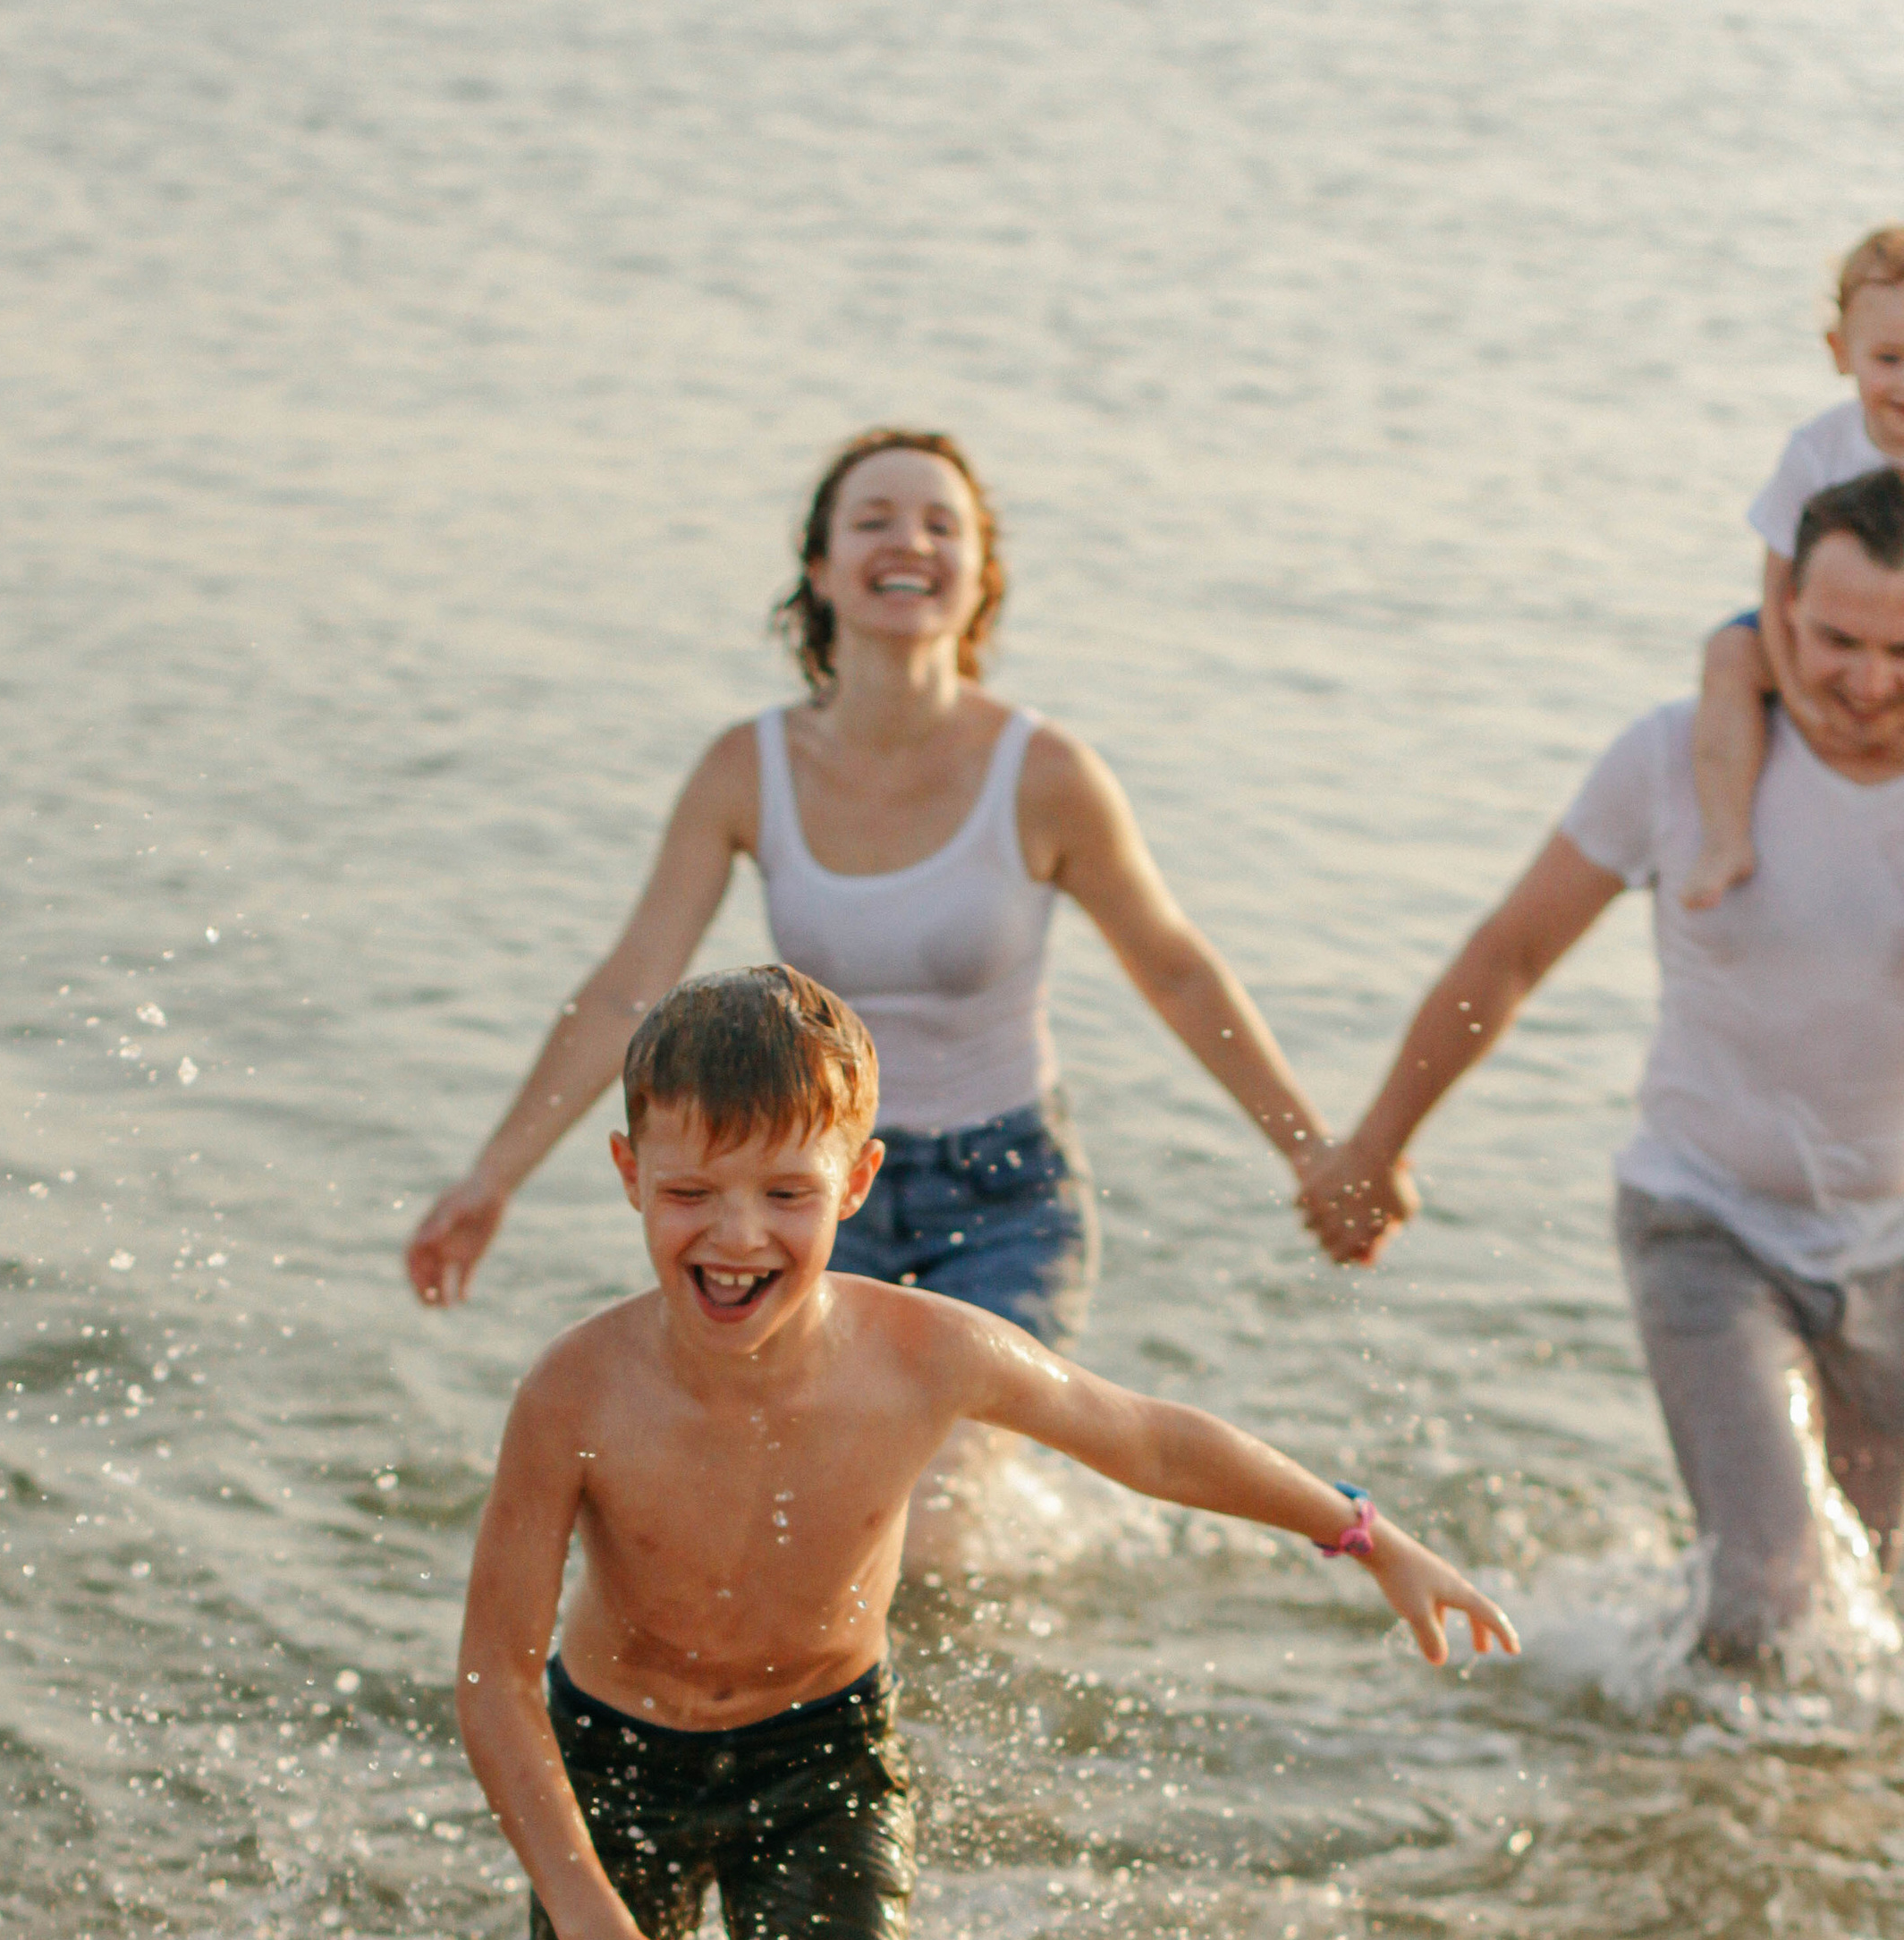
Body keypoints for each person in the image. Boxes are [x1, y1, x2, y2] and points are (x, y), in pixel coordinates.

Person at [457, 965, 1515, 1940]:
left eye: (786, 1193)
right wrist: (597, 1934)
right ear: (626, 1176)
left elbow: (1149, 1440)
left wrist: (1368, 1539)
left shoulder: (924, 1356)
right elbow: (494, 1677)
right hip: (615, 1762)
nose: (737, 1237)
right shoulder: (576, 1393)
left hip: (820, 1762)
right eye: (690, 1195)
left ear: (856, 1182)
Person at [407, 428, 1350, 1546]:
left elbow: (1179, 973)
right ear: (820, 569)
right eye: (873, 520)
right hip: (797, 1195)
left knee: (936, 1517)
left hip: (1003, 1193)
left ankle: (942, 1703)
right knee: (778, 1513)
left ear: (979, 577)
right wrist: (493, 1178)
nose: (908, 542)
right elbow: (629, 988)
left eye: (941, 525)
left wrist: (1313, 1151)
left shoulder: (1045, 775)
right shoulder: (744, 770)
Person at [1300, 470, 1904, 1665]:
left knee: (1879, 1596)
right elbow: (1511, 953)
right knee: (1774, 1595)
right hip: (1706, 1223)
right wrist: (1376, 1146)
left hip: (1895, 1242)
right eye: (1839, 641)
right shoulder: (1677, 756)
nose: (1870, 683)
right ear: (1778, 608)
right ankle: (1700, 1821)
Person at [1685, 226, 1904, 910]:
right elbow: (1778, 579)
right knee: (1727, 653)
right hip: (1820, 628)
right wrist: (1794, 688)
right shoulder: (1818, 449)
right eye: (1890, 359)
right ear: (1842, 354)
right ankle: (1726, 839)